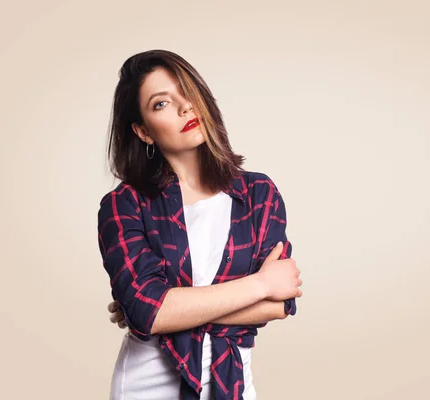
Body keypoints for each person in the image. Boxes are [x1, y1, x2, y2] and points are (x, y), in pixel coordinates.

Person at [96, 49, 303, 400]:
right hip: (146, 388)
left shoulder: (258, 193)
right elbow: (150, 311)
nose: (184, 107)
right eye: (161, 103)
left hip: (233, 384)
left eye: (188, 92)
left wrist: (166, 310)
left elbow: (279, 305)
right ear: (144, 131)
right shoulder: (124, 205)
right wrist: (262, 283)